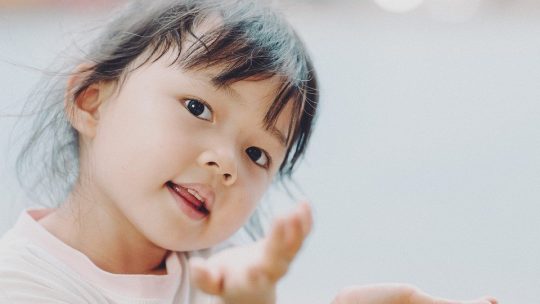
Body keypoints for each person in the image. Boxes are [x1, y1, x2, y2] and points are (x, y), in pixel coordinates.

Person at [0, 0, 497, 303]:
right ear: (91, 100)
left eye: (258, 154)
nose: (226, 163)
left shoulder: (216, 274)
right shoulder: (20, 284)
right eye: (197, 107)